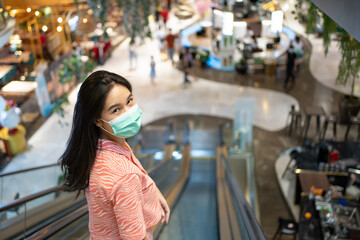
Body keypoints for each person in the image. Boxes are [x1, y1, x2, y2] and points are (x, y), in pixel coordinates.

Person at [59, 71, 170, 239]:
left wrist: (152, 190)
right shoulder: (125, 178)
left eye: (129, 101)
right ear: (97, 120)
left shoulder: (98, 149)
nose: (128, 112)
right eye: (116, 110)